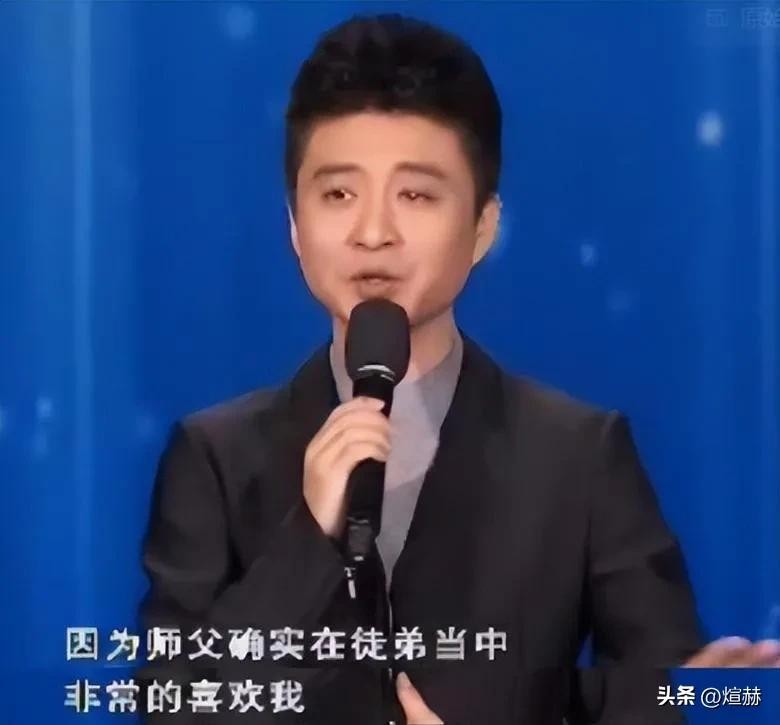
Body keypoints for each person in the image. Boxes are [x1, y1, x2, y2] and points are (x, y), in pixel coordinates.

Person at [136, 13, 780, 725]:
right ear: (294, 223)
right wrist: (308, 539)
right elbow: (171, 707)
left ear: (482, 226)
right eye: (339, 194)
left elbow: (656, 699)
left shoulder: (579, 457)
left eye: (415, 195)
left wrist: (708, 698)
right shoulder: (215, 457)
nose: (373, 232)